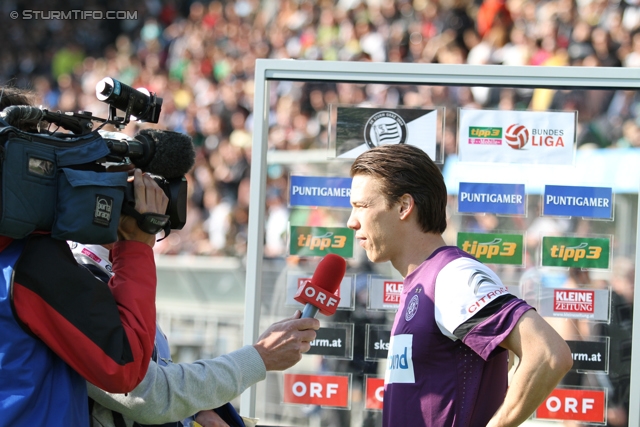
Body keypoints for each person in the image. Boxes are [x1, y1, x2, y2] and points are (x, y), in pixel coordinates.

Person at [346, 144, 573, 427]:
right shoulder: (420, 280)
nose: (351, 221)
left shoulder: (453, 275)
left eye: (361, 206)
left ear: (404, 206)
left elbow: (548, 353)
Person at [71, 241, 320, 427]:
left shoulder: (107, 268)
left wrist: (191, 414)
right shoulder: (77, 277)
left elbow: (155, 382)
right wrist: (259, 358)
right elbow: (146, 395)